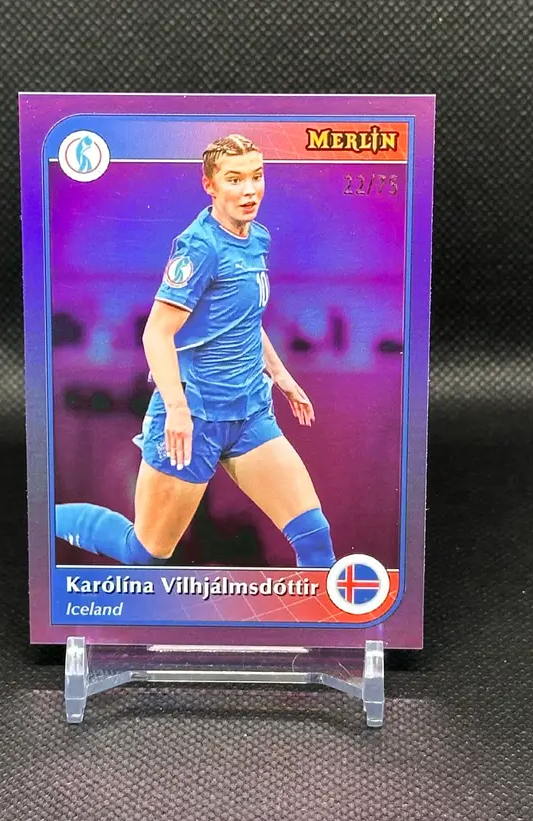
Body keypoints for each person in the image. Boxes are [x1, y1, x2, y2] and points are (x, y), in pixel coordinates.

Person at [55, 134, 336, 569]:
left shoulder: (257, 238)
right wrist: (177, 410)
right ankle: (42, 519)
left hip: (249, 414)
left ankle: (318, 617)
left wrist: (281, 377)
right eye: (235, 179)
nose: (249, 190)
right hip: (194, 419)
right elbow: (156, 334)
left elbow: (244, 320)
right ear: (209, 184)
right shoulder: (199, 247)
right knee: (145, 553)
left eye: (257, 176)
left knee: (315, 540)